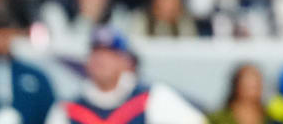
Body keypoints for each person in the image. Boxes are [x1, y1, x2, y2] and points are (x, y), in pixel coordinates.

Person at [44, 26, 206, 124]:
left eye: (110, 54)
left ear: (126, 61)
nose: (101, 60)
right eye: (96, 53)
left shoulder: (151, 98)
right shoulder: (68, 109)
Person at [0, 2, 55, 124]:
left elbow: (50, 112)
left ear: (13, 33)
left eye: (5, 34)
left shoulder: (34, 75)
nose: (0, 40)